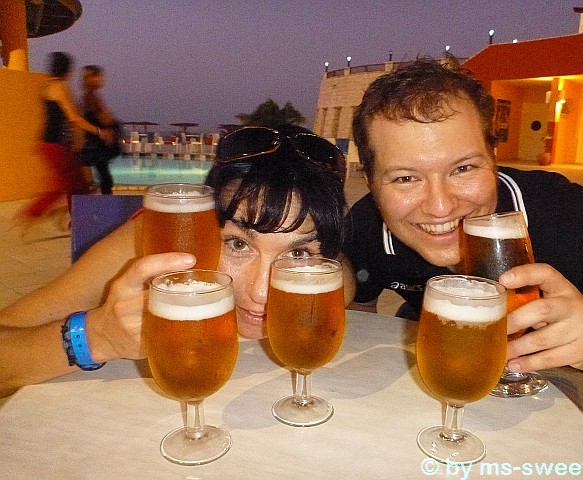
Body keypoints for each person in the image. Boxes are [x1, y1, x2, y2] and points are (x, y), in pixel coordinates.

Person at [343, 58, 583, 443]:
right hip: (446, 352)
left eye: (463, 169)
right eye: (405, 178)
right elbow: (360, 308)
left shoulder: (566, 215)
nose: (440, 207)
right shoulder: (369, 225)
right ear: (370, 182)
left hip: (579, 365)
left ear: (494, 159)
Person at [0, 125, 348, 397]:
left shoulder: (327, 278)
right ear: (200, 228)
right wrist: (97, 336)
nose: (260, 293)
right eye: (238, 244)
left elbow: (344, 279)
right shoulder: (151, 246)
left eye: (297, 252)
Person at [17, 52, 111, 223]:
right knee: (72, 185)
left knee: (73, 184)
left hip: (49, 144)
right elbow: (73, 117)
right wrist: (98, 131)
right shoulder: (60, 87)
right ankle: (31, 214)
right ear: (66, 69)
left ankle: (73, 220)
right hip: (54, 145)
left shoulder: (47, 86)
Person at [79, 65, 121, 195]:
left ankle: (99, 200)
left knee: (102, 178)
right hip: (93, 145)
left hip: (94, 145)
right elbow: (102, 117)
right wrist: (107, 126)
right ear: (91, 78)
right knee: (103, 179)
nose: (102, 80)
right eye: (98, 77)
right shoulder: (90, 97)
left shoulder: (91, 96)